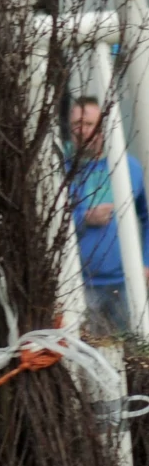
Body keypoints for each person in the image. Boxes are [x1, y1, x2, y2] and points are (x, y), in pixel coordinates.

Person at [68, 95, 146, 337]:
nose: (81, 132)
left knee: (135, 349)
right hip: (80, 285)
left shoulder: (128, 167)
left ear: (103, 127)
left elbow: (146, 217)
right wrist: (83, 220)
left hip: (126, 281)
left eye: (88, 124)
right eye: (76, 126)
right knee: (90, 352)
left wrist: (146, 262)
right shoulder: (61, 170)